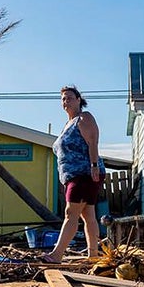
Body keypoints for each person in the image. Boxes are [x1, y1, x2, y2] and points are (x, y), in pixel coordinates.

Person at [43, 85, 106, 263]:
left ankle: (56, 255)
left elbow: (93, 141)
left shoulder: (83, 118)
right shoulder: (67, 124)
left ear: (79, 100)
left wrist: (94, 165)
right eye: (63, 99)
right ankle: (93, 256)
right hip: (72, 176)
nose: (66, 101)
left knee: (71, 213)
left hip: (85, 173)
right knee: (88, 214)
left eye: (70, 97)